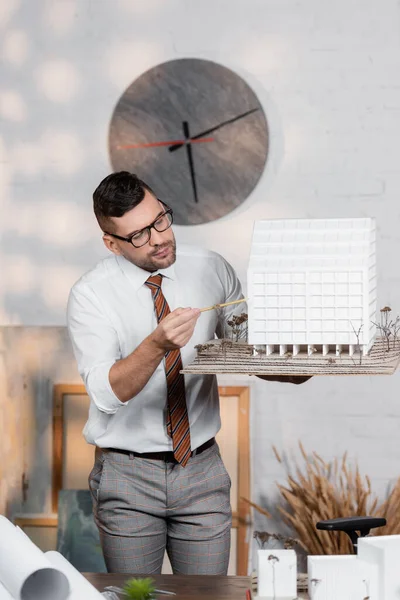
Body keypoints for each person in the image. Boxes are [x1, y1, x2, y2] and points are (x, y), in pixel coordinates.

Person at [67, 171, 309, 575]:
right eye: (139, 235)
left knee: (206, 597)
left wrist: (300, 365)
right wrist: (156, 345)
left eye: (160, 219)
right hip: (127, 475)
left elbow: (247, 352)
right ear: (112, 243)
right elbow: (105, 393)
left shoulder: (210, 269)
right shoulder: (91, 294)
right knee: (136, 598)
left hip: (201, 470)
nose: (160, 237)